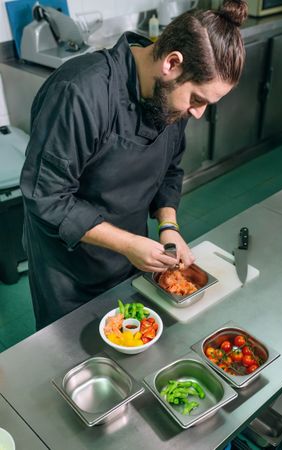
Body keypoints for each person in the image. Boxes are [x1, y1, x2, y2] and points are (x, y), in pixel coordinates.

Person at [20, 0, 248, 330]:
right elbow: (47, 198)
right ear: (172, 63)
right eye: (198, 99)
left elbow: (170, 169)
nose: (199, 113)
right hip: (69, 269)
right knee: (67, 359)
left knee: (128, 337)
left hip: (132, 252)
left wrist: (168, 226)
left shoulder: (170, 101)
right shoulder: (79, 92)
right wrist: (127, 244)